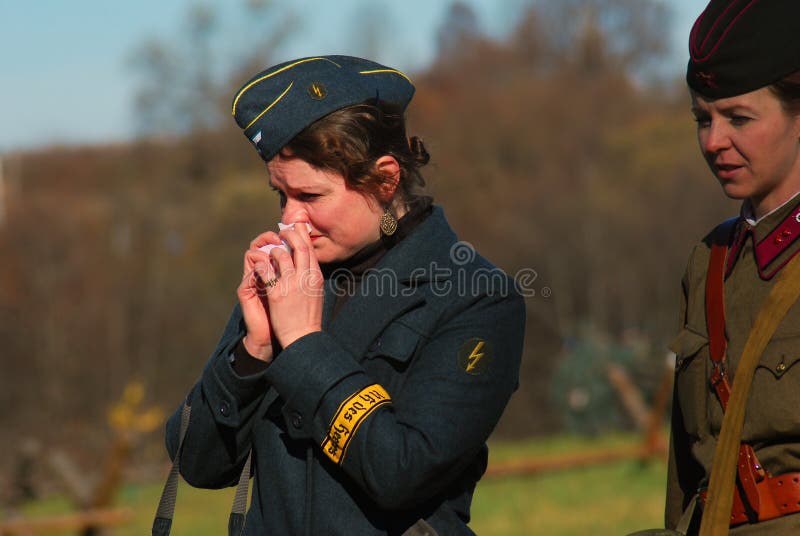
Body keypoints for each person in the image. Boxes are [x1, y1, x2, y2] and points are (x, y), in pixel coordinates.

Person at [164, 55, 525, 535]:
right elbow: (198, 463)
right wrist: (252, 354)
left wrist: (304, 345)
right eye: (281, 196)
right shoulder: (290, 276)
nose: (289, 220)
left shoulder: (478, 299)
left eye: (310, 197)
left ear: (385, 179)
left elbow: (404, 473)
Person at [666, 1, 800, 534]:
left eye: (739, 118)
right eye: (703, 118)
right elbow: (686, 468)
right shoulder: (709, 261)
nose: (713, 141)